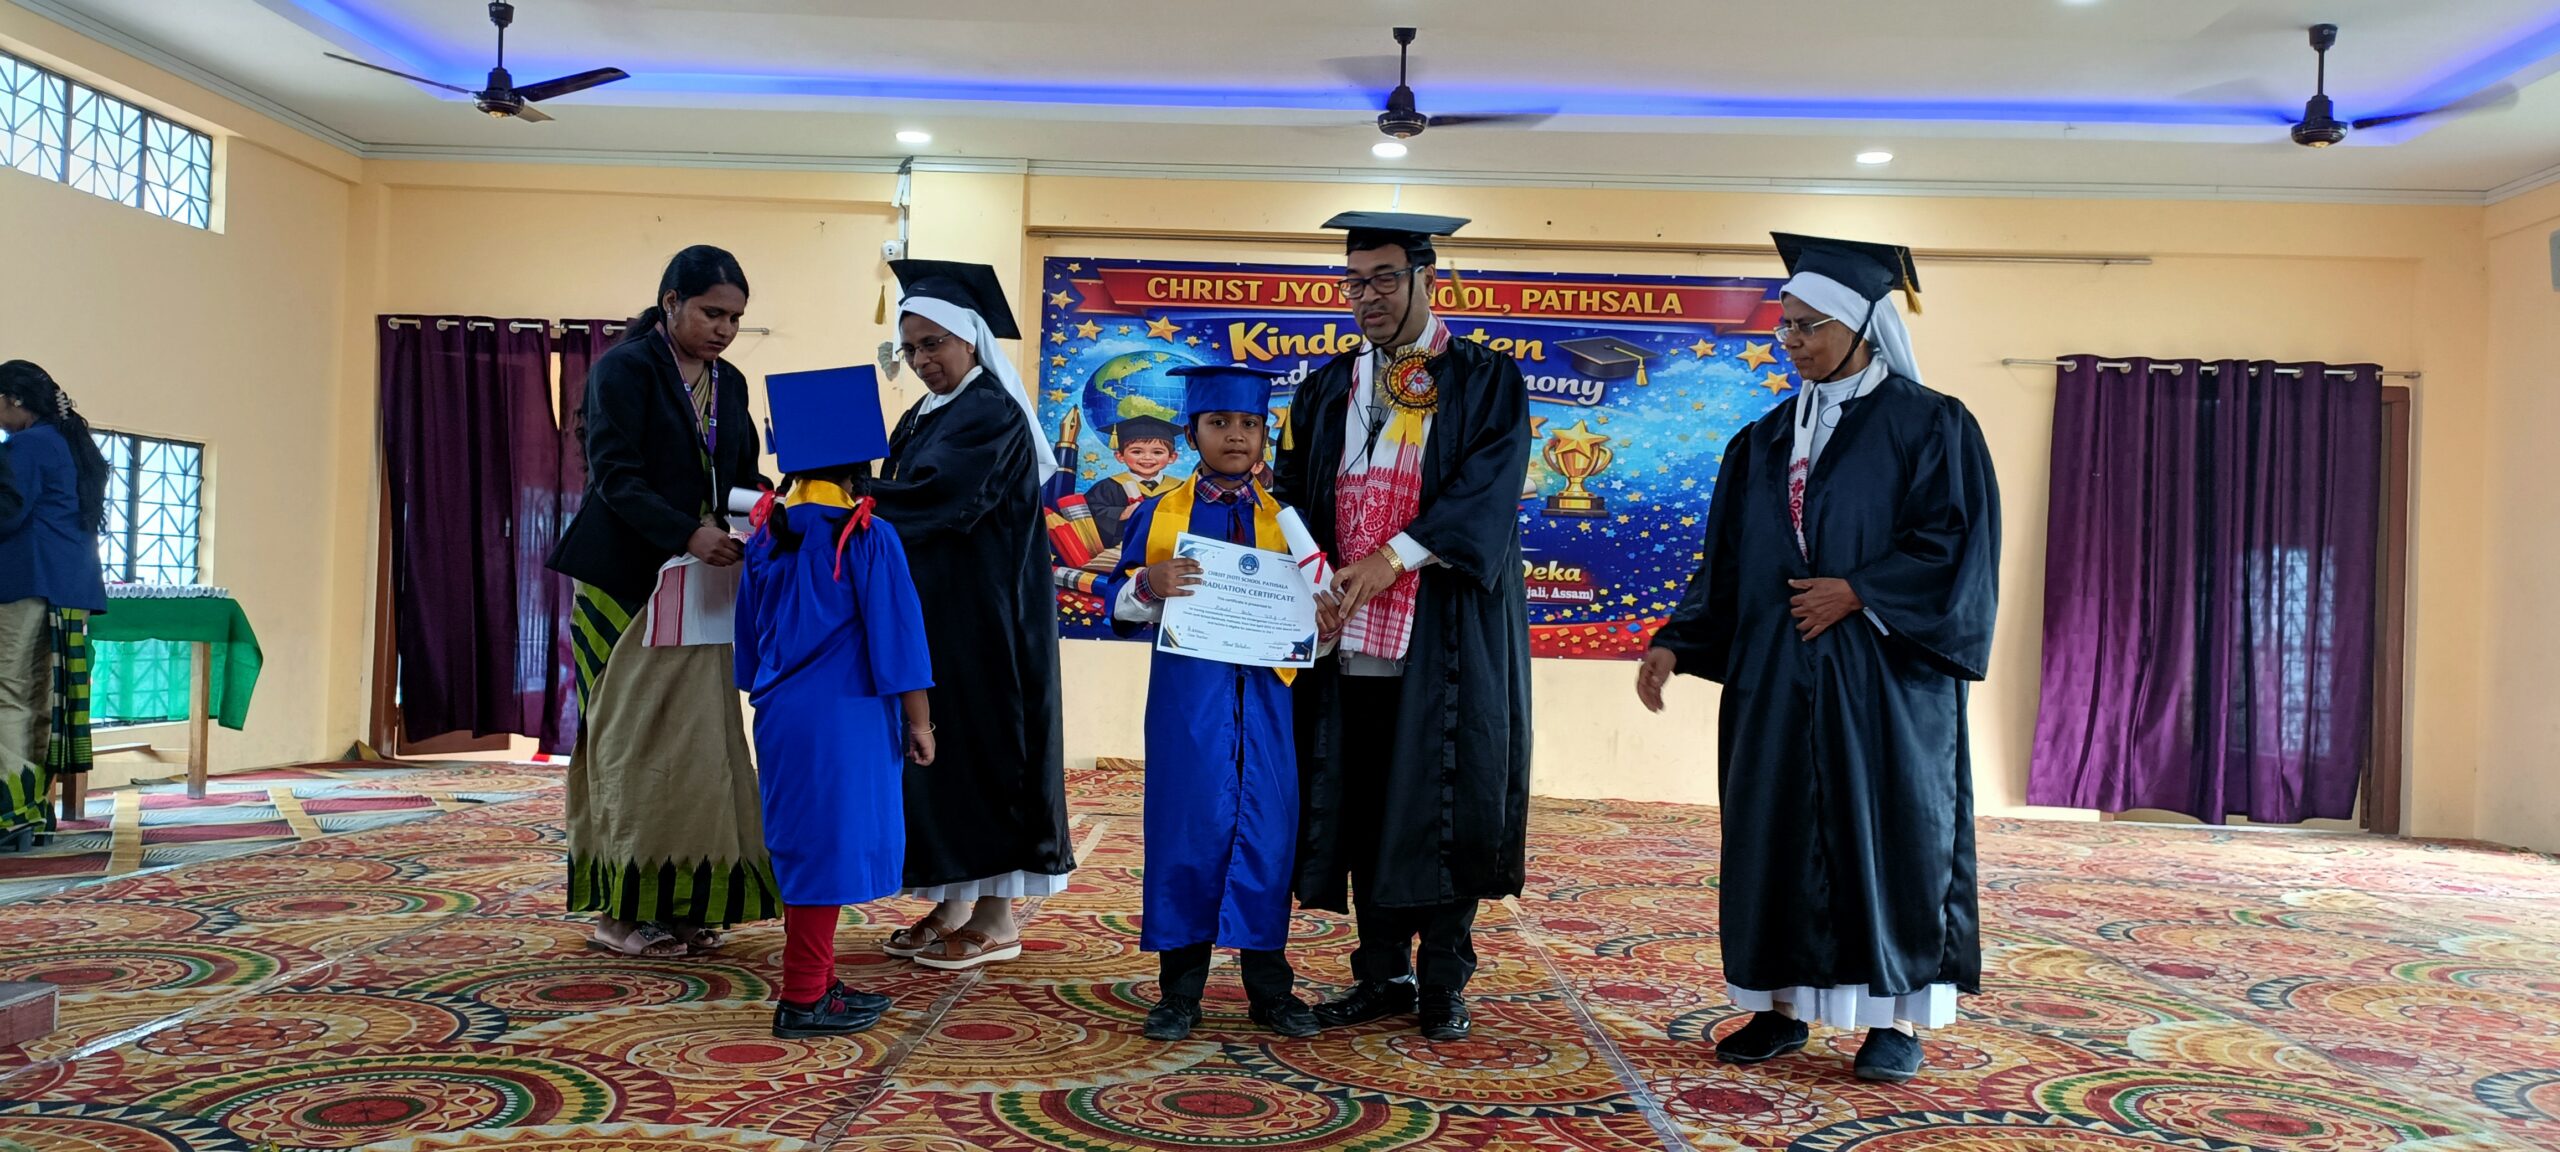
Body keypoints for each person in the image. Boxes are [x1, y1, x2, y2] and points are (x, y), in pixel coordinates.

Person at [1635, 233, 2000, 1084]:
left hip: (1884, 682)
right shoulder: (1762, 440)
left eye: (1808, 327)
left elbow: (1958, 547)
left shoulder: (1932, 425)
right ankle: (1779, 1007)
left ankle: (1896, 1020)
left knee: (1890, 835)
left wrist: (1861, 591)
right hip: (1776, 678)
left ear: (1862, 326)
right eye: (1785, 326)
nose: (1791, 341)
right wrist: (1677, 640)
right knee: (1773, 833)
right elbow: (1726, 564)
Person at [1271, 212, 1534, 1042]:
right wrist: (1312, 572)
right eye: (1354, 282)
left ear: (1429, 278)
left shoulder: (1486, 379)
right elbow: (1288, 491)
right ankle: (1380, 973)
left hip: (1444, 631)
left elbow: (1488, 487)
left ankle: (1444, 979)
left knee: (1445, 795)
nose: (1368, 297)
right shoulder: (1326, 387)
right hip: (1344, 635)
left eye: (1385, 278)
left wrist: (1394, 558)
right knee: (1365, 801)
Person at [546, 245, 780, 959]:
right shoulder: (624, 370)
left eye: (735, 318)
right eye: (712, 313)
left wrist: (762, 514)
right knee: (631, 739)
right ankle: (619, 914)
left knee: (699, 742)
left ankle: (682, 905)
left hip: (702, 582)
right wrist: (687, 532)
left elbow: (740, 473)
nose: (725, 330)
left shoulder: (730, 382)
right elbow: (615, 476)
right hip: (626, 580)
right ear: (671, 301)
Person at [1100, 364, 1320, 1042]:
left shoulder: (1288, 520)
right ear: (1191, 433)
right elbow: (1119, 602)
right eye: (1219, 422)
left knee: (1268, 834)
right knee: (1187, 830)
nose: (1236, 435)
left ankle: (1269, 987)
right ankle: (1180, 989)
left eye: (1250, 423)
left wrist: (1325, 617)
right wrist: (1148, 582)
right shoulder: (1161, 511)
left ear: (1264, 435)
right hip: (1188, 700)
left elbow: (1319, 604)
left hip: (1268, 700)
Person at [869, 259, 1075, 972]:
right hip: (938, 614)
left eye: (934, 344)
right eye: (910, 349)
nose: (923, 360)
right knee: (942, 758)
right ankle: (953, 899)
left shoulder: (990, 410)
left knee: (992, 754)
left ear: (970, 340)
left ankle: (998, 915)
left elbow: (938, 499)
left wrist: (836, 491)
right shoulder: (923, 415)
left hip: (991, 621)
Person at [735, 367, 936, 1039]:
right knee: (827, 854)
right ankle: (803, 999)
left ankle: (817, 980)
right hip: (847, 717)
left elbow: (747, 646)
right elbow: (899, 640)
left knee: (804, 846)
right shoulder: (868, 535)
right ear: (861, 465)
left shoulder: (767, 535)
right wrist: (920, 722)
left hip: (782, 714)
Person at [0, 362, 109, 829]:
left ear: (14, 399)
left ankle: (10, 811)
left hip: (29, 581)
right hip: (68, 586)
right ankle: (33, 808)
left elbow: (7, 512)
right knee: (40, 696)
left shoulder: (27, 446)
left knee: (9, 694)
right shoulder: (73, 444)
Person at [1083, 415, 1182, 549]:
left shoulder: (1181, 488)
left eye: (1157, 452)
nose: (1147, 457)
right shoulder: (1107, 487)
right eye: (1137, 452)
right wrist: (1121, 513)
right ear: (1120, 456)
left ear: (1172, 457)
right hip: (1120, 552)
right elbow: (1089, 516)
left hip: (1168, 550)